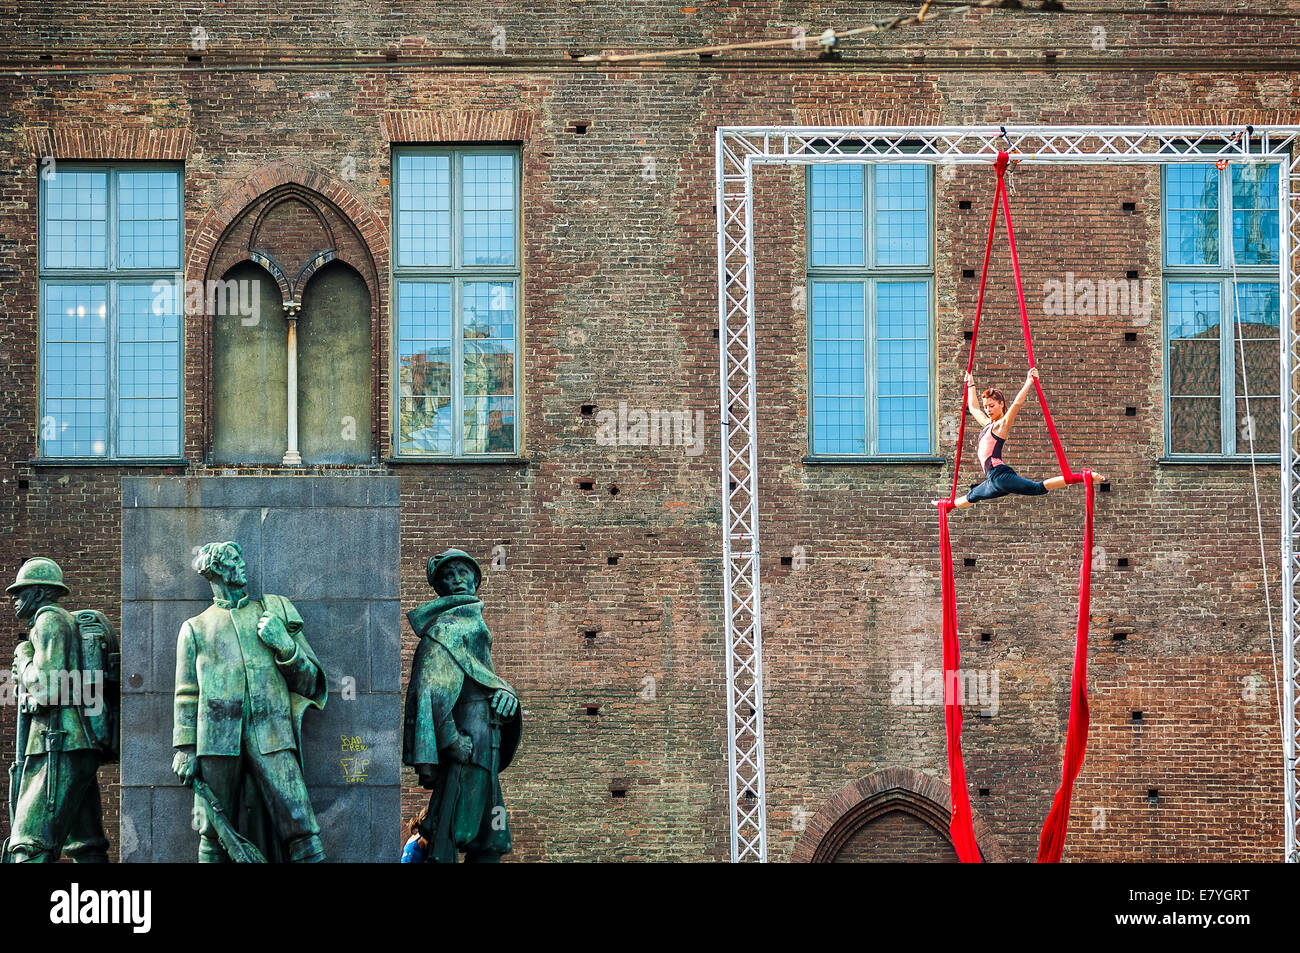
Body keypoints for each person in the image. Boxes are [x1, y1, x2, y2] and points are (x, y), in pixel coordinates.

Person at [171, 541, 328, 863]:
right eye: (233, 560)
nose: (242, 565)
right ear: (215, 570)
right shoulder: (195, 628)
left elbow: (311, 682)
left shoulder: (272, 612)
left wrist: (285, 645)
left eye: (241, 558)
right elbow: (186, 693)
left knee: (301, 823)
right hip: (214, 739)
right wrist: (185, 747)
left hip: (272, 731)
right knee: (213, 829)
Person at [403, 548, 521, 863]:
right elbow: (431, 688)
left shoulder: (470, 622)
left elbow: (480, 679)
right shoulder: (445, 628)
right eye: (448, 576)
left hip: (487, 746)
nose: (457, 580)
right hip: (467, 748)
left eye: (463, 573)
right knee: (447, 836)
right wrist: (450, 740)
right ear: (440, 587)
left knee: (491, 840)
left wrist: (507, 692)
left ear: (475, 579)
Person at [4, 558, 110, 863]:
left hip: (57, 744)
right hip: (74, 745)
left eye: (21, 592)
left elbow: (49, 689)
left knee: (28, 845)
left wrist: (23, 661)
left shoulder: (48, 620)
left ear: (38, 593)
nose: (14, 599)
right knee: (86, 846)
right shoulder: (62, 622)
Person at [936, 369, 1105, 509]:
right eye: (986, 406)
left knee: (1038, 487)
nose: (988, 409)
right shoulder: (987, 424)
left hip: (1001, 476)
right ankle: (946, 506)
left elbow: (1016, 404)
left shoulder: (1001, 426)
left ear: (1001, 404)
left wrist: (1028, 382)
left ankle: (1082, 477)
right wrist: (970, 383)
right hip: (992, 480)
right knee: (971, 496)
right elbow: (973, 408)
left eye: (992, 405)